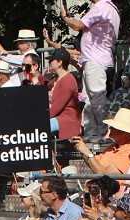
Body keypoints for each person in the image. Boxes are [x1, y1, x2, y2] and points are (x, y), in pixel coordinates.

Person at [60, 0, 120, 141]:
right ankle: (92, 134)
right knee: (88, 99)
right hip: (96, 60)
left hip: (96, 61)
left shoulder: (101, 7)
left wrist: (64, 17)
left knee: (96, 97)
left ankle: (105, 133)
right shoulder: (113, 9)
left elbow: (76, 25)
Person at [48, 48, 81, 140]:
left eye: (52, 60)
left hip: (66, 120)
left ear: (60, 62)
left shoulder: (68, 81)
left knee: (39, 128)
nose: (49, 62)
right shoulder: (56, 79)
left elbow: (56, 108)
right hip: (58, 118)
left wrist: (41, 118)